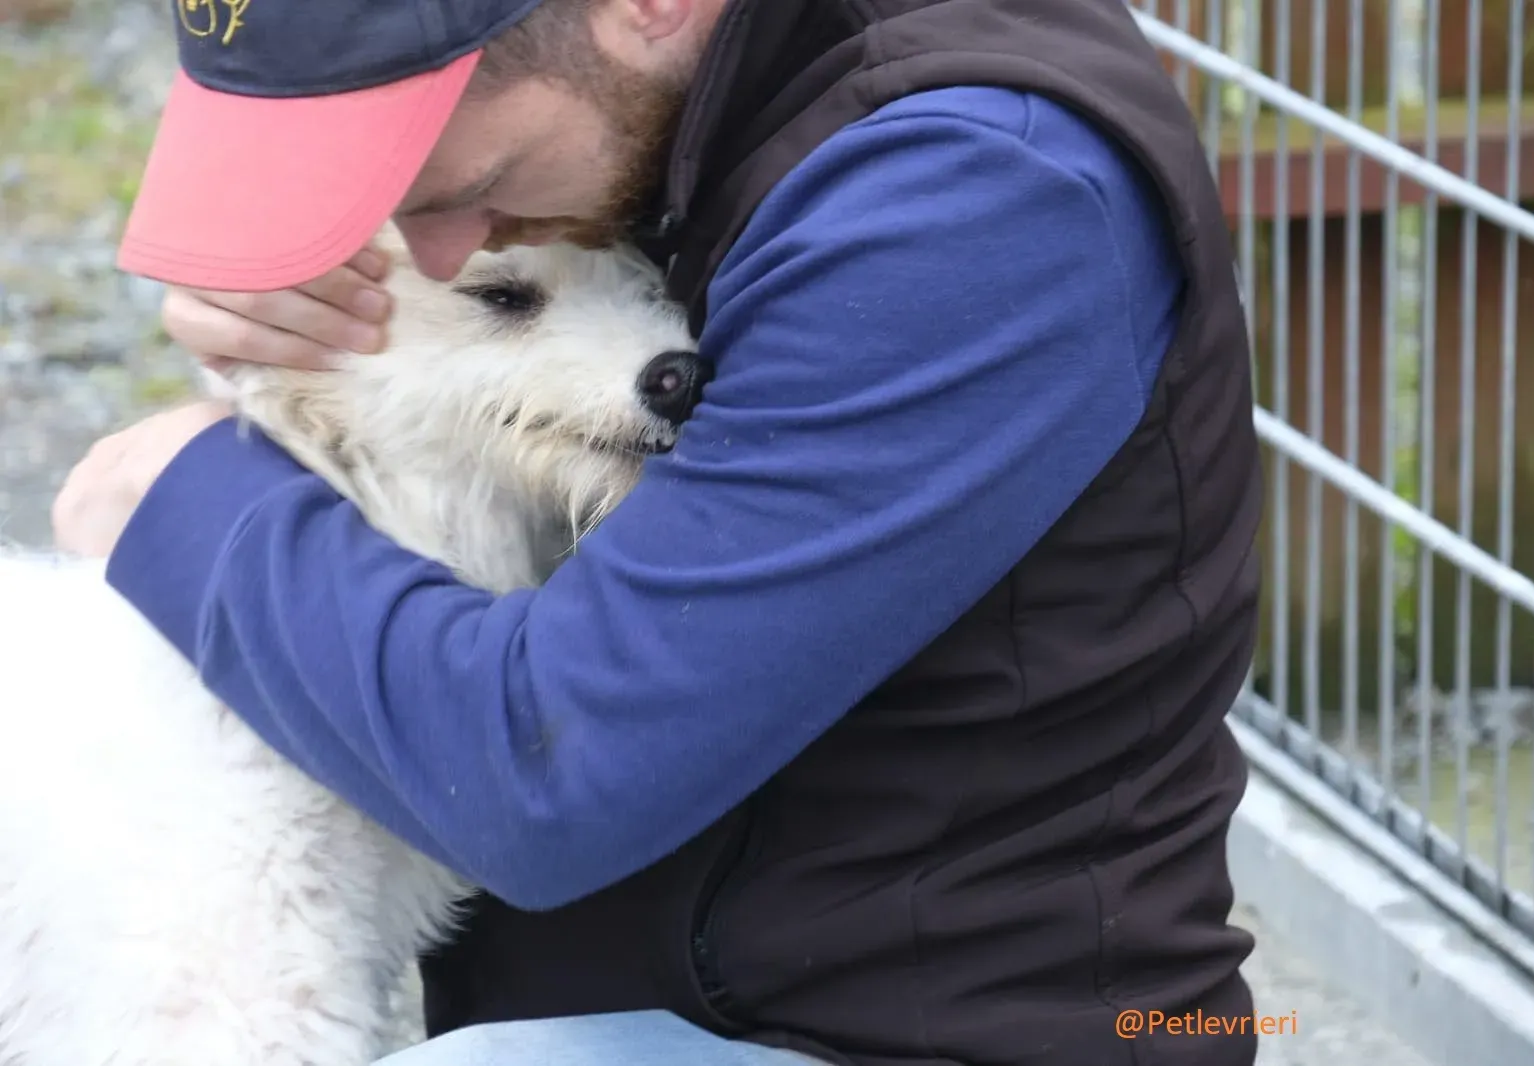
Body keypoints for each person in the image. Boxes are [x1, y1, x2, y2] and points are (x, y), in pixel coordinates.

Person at [51, 0, 1267, 1061]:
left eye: (472, 190)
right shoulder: (671, 105)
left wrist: (190, 496)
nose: (429, 249)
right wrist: (286, 289)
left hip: (924, 1037)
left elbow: (545, 770)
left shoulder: (968, 197)